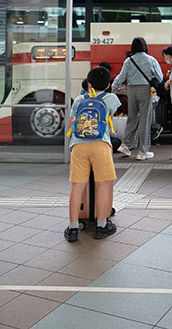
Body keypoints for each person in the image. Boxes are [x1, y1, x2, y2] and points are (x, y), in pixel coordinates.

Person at [65, 66, 120, 242]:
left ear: (88, 84)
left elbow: (73, 120)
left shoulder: (80, 99)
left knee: (77, 186)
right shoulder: (111, 98)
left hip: (79, 146)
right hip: (100, 145)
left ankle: (73, 228)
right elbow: (112, 113)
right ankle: (102, 225)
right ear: (108, 84)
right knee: (102, 185)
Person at [111, 37, 163, 160]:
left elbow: (121, 77)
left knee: (132, 118)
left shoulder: (129, 61)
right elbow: (159, 77)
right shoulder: (151, 60)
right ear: (145, 46)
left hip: (132, 90)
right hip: (145, 90)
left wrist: (112, 87)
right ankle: (143, 151)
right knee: (145, 120)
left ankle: (126, 145)